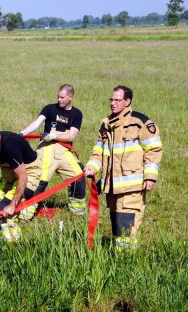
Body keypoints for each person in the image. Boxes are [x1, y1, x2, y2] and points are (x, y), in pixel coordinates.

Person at [84, 85, 162, 249]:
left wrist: (150, 177)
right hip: (112, 187)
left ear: (128, 101)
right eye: (111, 99)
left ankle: (125, 261)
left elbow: (153, 150)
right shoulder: (106, 124)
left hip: (132, 186)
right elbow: (98, 152)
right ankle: (120, 256)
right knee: (117, 225)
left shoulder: (140, 123)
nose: (112, 103)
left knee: (127, 228)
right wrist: (91, 167)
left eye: (117, 100)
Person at [18, 84, 86, 219]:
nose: (59, 99)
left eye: (62, 97)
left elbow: (71, 136)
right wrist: (22, 133)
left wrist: (54, 136)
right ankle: (25, 214)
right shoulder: (50, 108)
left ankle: (77, 213)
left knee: (79, 176)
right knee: (38, 181)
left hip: (64, 151)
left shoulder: (76, 114)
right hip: (46, 149)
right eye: (58, 96)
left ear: (70, 97)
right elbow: (36, 123)